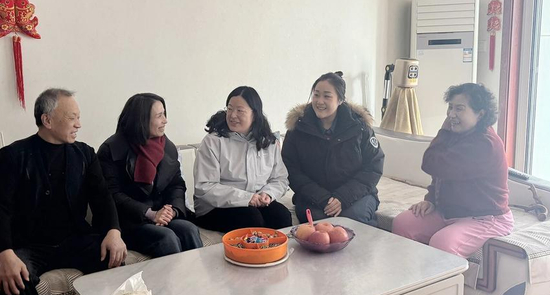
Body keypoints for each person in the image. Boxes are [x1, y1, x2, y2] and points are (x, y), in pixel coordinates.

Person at [0, 88, 127, 295]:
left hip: (73, 239)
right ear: (47, 120)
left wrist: (113, 231)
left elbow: (102, 198)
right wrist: (4, 253)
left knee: (115, 260)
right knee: (16, 280)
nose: (79, 124)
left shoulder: (84, 154)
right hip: (27, 245)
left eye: (79, 117)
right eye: (72, 117)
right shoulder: (14, 155)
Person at [392, 83, 513, 258]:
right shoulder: (459, 135)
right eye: (450, 107)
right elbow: (441, 175)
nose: (451, 114)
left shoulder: (485, 144)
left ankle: (443, 277)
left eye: (459, 109)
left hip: (485, 217)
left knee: (442, 243)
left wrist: (443, 131)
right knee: (403, 223)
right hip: (449, 212)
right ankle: (409, 273)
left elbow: (432, 164)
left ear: (480, 114)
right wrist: (431, 200)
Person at [98, 93, 203, 257]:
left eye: (164, 114)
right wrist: (150, 213)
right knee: (166, 237)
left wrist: (172, 211)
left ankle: (197, 274)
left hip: (160, 216)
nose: (165, 120)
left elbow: (176, 184)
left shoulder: (166, 146)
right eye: (159, 116)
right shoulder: (111, 150)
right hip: (128, 222)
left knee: (189, 229)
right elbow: (113, 195)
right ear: (141, 119)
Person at [282, 71, 384, 225]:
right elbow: (290, 169)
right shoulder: (298, 128)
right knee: (320, 224)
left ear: (340, 100)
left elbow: (373, 167)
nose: (319, 101)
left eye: (327, 96)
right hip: (313, 198)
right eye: (316, 95)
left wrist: (343, 197)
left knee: (352, 220)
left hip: (356, 196)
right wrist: (322, 198)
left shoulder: (359, 127)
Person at [194, 86, 291, 232]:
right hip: (214, 206)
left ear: (255, 114)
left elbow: (280, 179)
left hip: (254, 202)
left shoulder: (268, 142)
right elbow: (205, 187)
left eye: (240, 111)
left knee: (281, 216)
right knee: (252, 219)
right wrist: (246, 198)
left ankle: (276, 249)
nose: (232, 115)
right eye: (229, 109)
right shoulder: (213, 141)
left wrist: (267, 194)